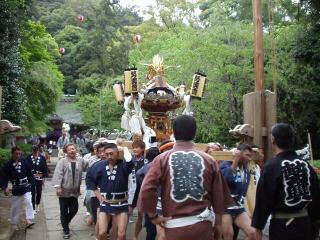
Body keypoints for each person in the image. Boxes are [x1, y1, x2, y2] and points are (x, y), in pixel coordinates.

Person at [139, 115, 233, 240]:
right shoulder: (209, 160)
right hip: (202, 226)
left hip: (174, 227)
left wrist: (153, 216)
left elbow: (146, 189)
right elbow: (218, 196)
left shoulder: (162, 159)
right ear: (195, 133)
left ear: (173, 132)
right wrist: (219, 224)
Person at [252, 123, 320, 240]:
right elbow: (316, 196)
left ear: (273, 141)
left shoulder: (271, 167)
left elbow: (263, 200)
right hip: (305, 224)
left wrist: (258, 227)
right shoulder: (305, 165)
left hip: (282, 226)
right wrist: (316, 223)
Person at [86, 143, 134, 240]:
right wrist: (97, 194)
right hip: (105, 203)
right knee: (102, 232)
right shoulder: (98, 165)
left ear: (117, 153)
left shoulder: (124, 165)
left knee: (121, 234)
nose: (109, 156)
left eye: (112, 153)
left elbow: (129, 161)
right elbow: (89, 178)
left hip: (121, 203)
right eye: (107, 154)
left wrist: (124, 148)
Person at [219, 144, 256, 240]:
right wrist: (235, 161)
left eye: (250, 156)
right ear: (239, 154)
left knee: (253, 233)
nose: (249, 159)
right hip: (225, 208)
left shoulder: (245, 169)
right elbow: (226, 179)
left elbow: (244, 190)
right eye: (247, 155)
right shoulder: (225, 164)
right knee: (228, 236)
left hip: (238, 207)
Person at [52, 143, 86, 239]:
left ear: (76, 150)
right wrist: (58, 187)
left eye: (73, 149)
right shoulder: (62, 161)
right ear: (66, 151)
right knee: (63, 211)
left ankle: (64, 222)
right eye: (70, 149)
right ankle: (66, 230)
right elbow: (58, 174)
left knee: (74, 209)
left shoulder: (80, 160)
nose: (72, 150)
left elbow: (89, 165)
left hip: (75, 191)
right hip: (64, 191)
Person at [1, 147, 35, 229]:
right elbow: (3, 177)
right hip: (16, 188)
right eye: (16, 153)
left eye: (20, 154)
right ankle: (14, 222)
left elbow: (29, 172)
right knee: (15, 206)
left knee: (29, 201)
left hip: (26, 186)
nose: (18, 155)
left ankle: (28, 220)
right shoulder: (7, 165)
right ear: (12, 154)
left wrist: (32, 182)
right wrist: (5, 187)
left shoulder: (24, 161)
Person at [132, 147, 161, 240]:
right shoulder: (163, 167)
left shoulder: (142, 171)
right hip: (161, 202)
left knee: (150, 229)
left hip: (148, 201)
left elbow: (139, 186)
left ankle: (135, 237)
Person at [128, 139, 147, 240]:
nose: (134, 149)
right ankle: (120, 233)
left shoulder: (146, 161)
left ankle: (135, 236)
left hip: (142, 191)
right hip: (131, 191)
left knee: (140, 215)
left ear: (143, 149)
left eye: (137, 147)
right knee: (126, 213)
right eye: (133, 147)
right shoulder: (129, 160)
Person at [26, 145, 48, 213]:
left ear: (38, 150)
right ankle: (33, 208)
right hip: (31, 177)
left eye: (36, 150)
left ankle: (37, 204)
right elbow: (26, 167)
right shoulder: (28, 157)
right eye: (33, 151)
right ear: (32, 150)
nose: (34, 152)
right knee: (32, 192)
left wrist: (44, 178)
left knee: (39, 192)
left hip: (40, 177)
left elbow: (45, 167)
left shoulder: (42, 158)